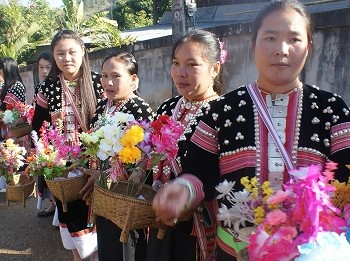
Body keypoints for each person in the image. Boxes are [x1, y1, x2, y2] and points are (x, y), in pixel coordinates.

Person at [152, 0, 350, 260]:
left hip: (309, 253)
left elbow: (345, 177)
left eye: (294, 39)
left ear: (309, 47)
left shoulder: (331, 110)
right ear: (253, 44)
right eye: (270, 38)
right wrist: (185, 190)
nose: (281, 50)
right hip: (234, 251)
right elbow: (199, 171)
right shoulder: (222, 110)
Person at [147, 29, 225, 261]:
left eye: (192, 64)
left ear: (215, 69)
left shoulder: (223, 114)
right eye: (176, 63)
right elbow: (153, 152)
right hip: (161, 214)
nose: (181, 72)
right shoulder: (168, 107)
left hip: (198, 222)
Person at [31, 29, 104, 261]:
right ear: (54, 56)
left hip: (97, 168)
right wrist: (48, 162)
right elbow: (38, 128)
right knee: (70, 221)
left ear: (83, 51)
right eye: (60, 53)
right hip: (64, 171)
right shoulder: (48, 87)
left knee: (97, 226)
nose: (67, 58)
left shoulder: (98, 81)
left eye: (72, 51)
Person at [80, 51, 154, 261]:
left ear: (133, 79)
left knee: (128, 248)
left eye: (115, 76)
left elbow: (145, 158)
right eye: (104, 76)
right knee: (108, 247)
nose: (108, 82)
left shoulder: (140, 109)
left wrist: (105, 175)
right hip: (105, 193)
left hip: (126, 193)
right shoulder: (103, 107)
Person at [32, 51, 56, 218]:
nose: (44, 70)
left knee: (54, 173)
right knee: (47, 175)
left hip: (54, 137)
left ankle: (58, 209)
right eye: (41, 67)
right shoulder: (39, 87)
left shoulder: (54, 86)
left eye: (48, 67)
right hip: (43, 137)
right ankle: (53, 205)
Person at [0, 57, 27, 141]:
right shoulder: (6, 86)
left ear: (7, 70)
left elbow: (6, 108)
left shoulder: (17, 86)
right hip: (8, 127)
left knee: (18, 152)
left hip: (18, 127)